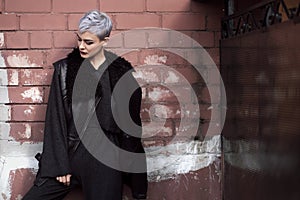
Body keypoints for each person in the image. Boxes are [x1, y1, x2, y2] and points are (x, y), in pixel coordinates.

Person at [23, 10, 147, 200]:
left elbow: (131, 129)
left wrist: (134, 174)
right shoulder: (64, 71)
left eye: (88, 42)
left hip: (106, 159)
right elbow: (55, 120)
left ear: (104, 41)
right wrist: (59, 165)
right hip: (71, 153)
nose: (81, 46)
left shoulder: (121, 76)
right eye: (79, 39)